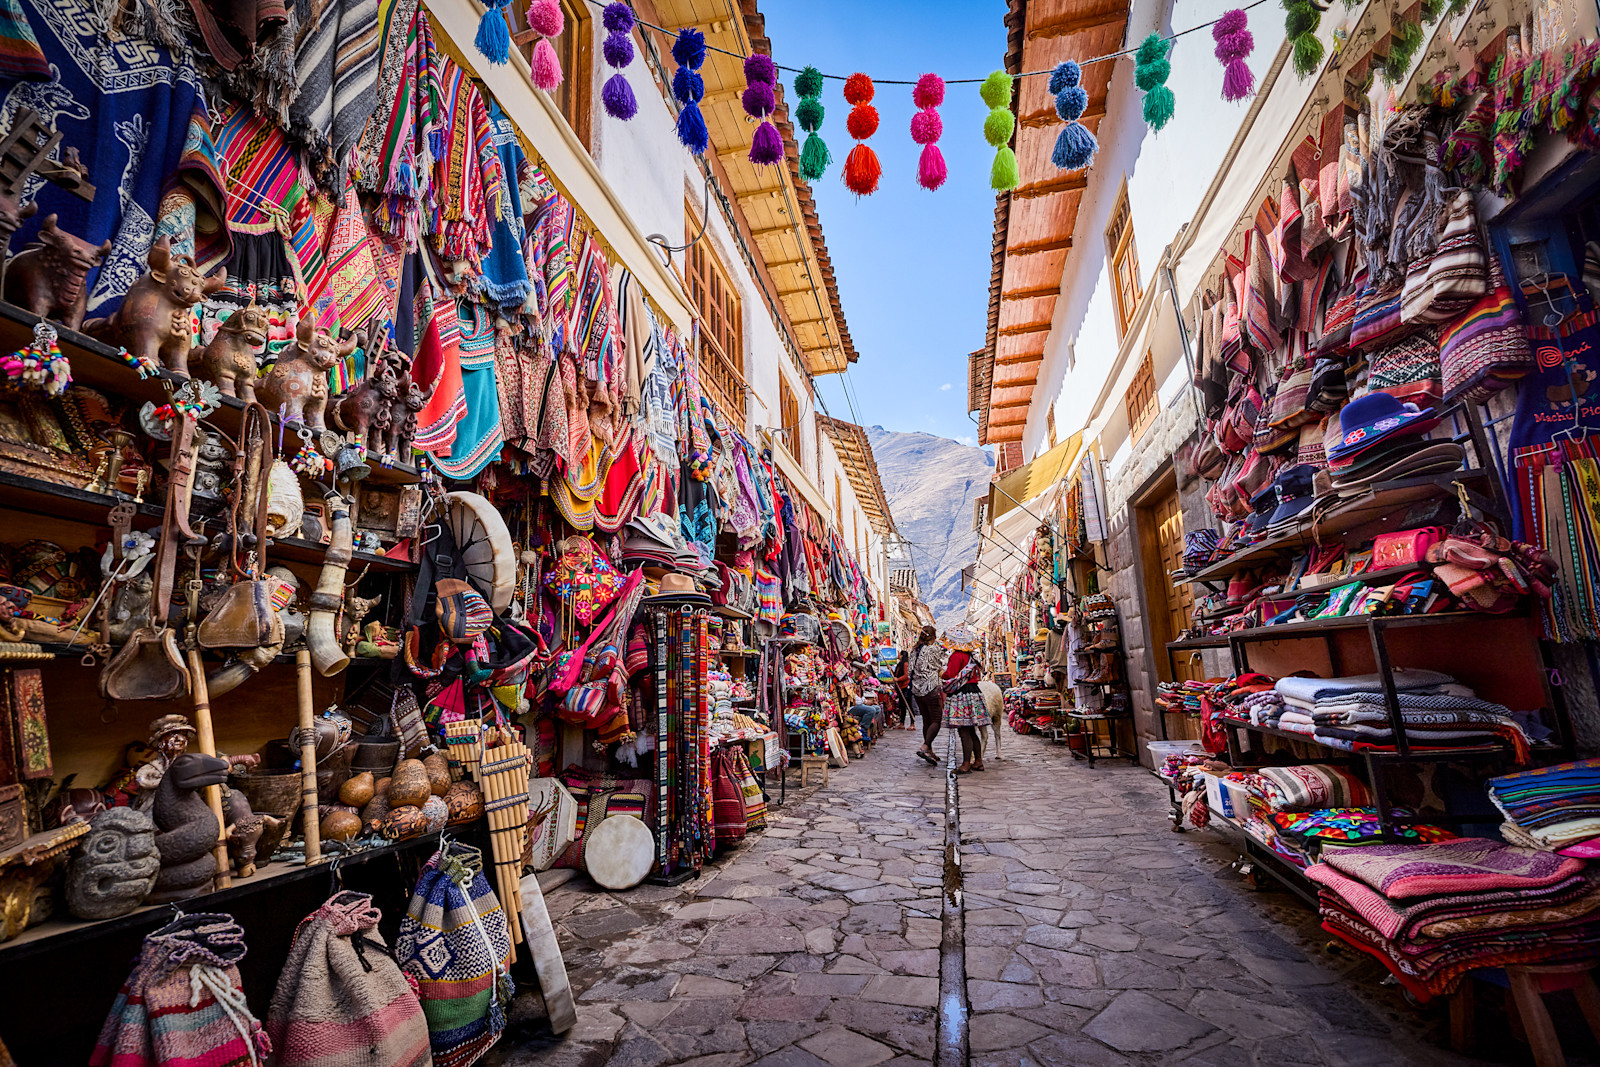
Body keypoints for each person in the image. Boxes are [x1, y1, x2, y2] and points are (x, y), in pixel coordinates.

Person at [942, 645, 986, 773]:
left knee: (964, 730)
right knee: (971, 730)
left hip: (962, 694)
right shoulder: (970, 656)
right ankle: (978, 761)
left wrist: (941, 673)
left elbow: (950, 674)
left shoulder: (956, 656)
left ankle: (966, 764)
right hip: (973, 692)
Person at [907, 626, 946, 765]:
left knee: (926, 720)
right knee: (936, 719)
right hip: (930, 689)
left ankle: (929, 749)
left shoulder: (914, 650)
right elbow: (941, 664)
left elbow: (909, 671)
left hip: (917, 691)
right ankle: (924, 747)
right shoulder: (933, 649)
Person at [891, 650, 915, 729]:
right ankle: (902, 723)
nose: (897, 655)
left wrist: (898, 679)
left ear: (902, 656)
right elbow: (896, 675)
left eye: (899, 654)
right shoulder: (899, 665)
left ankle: (912, 724)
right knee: (902, 706)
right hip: (900, 687)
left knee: (908, 705)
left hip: (906, 687)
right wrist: (890, 670)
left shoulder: (905, 664)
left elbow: (906, 676)